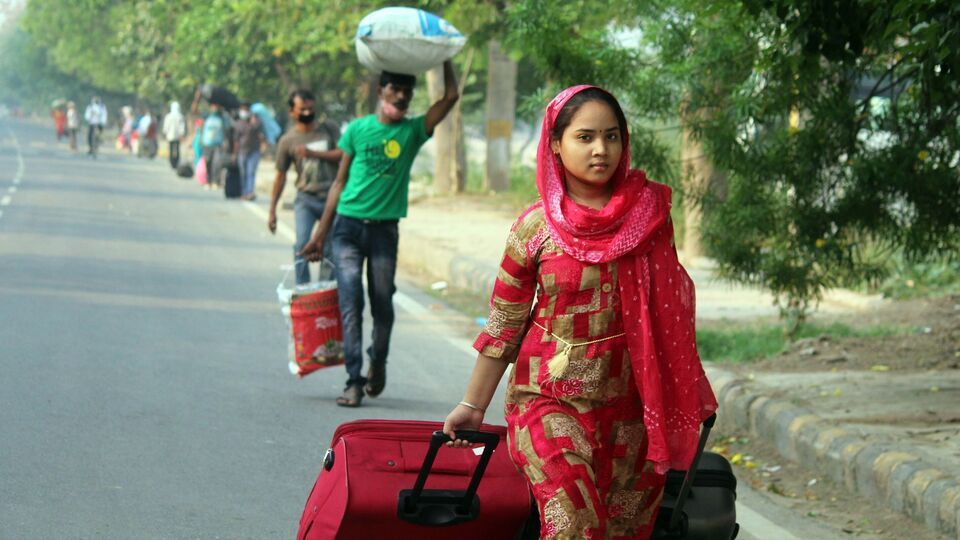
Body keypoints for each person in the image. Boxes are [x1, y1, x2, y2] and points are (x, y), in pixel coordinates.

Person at [441, 86, 718, 539]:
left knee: (623, 530)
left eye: (612, 137)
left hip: (631, 410)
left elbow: (669, 316)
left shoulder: (650, 218)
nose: (601, 150)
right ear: (555, 142)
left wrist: (685, 391)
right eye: (585, 137)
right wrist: (473, 406)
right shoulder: (534, 227)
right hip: (548, 399)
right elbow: (504, 324)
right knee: (573, 520)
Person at [299, 61, 459, 407]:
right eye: (394, 90)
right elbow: (339, 183)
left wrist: (445, 56)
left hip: (385, 231)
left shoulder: (413, 131)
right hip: (347, 229)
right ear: (380, 92)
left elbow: (451, 96)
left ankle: (378, 360)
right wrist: (319, 234)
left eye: (406, 93)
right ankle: (354, 380)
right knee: (351, 300)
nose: (400, 97)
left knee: (383, 302)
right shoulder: (357, 130)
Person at [268, 90, 342, 281]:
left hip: (331, 198)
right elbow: (280, 176)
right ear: (292, 112)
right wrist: (272, 210)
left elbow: (343, 154)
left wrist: (313, 154)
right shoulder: (287, 140)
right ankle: (303, 291)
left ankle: (325, 293)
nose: (308, 113)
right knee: (302, 245)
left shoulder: (329, 129)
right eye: (303, 109)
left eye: (311, 108)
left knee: (330, 248)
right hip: (306, 198)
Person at [192, 89, 229, 189]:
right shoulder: (206, 116)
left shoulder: (222, 117)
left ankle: (215, 181)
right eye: (213, 106)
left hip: (218, 143)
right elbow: (195, 111)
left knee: (217, 162)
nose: (215, 107)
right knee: (207, 162)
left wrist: (226, 141)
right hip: (207, 143)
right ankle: (207, 181)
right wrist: (197, 98)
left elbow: (226, 131)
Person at [233, 102, 264, 200]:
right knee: (243, 173)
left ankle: (250, 192)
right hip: (242, 152)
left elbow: (261, 134)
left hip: (254, 151)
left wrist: (254, 121)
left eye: (246, 110)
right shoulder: (238, 124)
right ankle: (243, 193)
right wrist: (235, 154)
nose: (244, 112)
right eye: (243, 110)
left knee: (251, 172)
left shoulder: (256, 122)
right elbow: (236, 141)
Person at [162, 101, 187, 169]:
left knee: (171, 149)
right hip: (178, 136)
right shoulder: (180, 116)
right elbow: (182, 126)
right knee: (177, 149)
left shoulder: (168, 116)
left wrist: (165, 133)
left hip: (170, 136)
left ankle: (172, 163)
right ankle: (176, 162)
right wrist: (182, 134)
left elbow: (166, 126)